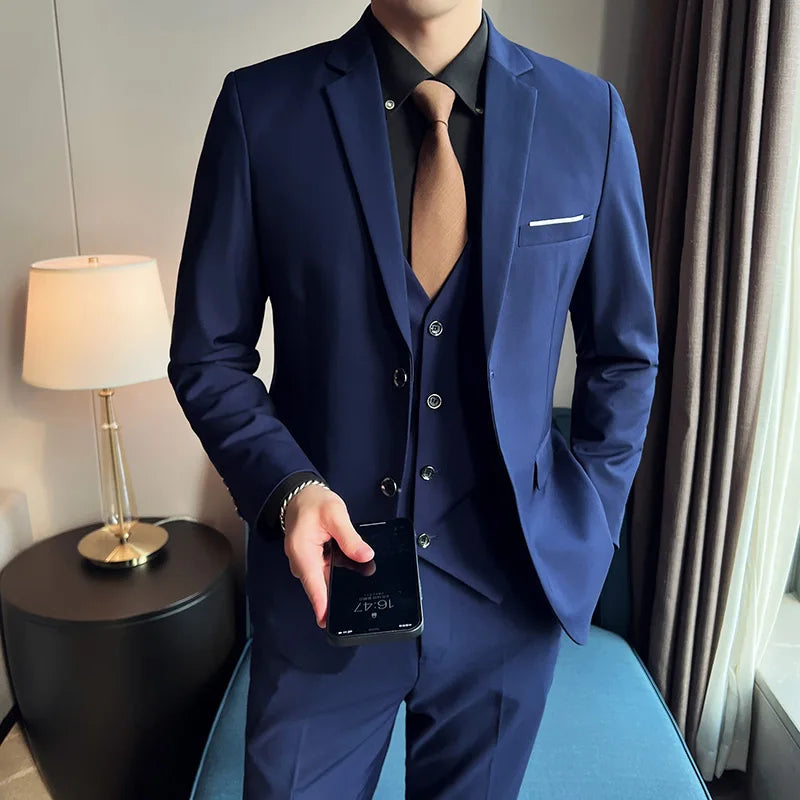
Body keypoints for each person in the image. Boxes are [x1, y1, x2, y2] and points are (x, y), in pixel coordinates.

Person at [167, 1, 659, 797]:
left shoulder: (587, 116)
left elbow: (624, 357)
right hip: (325, 593)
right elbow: (207, 354)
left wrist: (590, 522)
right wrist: (289, 490)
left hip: (509, 595)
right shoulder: (261, 111)